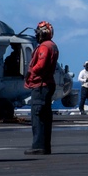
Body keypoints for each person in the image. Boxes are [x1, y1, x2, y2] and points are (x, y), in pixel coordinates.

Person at [25, 21, 59, 155]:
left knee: (37, 117)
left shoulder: (44, 47)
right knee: (45, 117)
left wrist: (31, 72)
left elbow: (41, 64)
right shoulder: (53, 46)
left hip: (40, 85)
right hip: (47, 84)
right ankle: (45, 146)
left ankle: (38, 145)